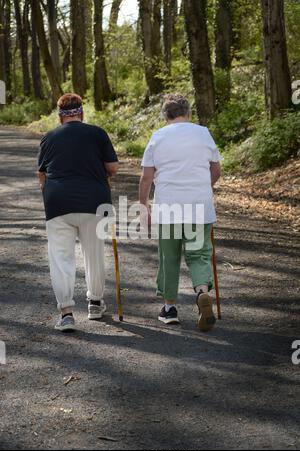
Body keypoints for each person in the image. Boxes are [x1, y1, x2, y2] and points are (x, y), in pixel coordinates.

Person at [139, 94, 221, 332]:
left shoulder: (158, 137)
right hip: (199, 207)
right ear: (189, 113)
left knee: (169, 257)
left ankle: (169, 308)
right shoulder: (203, 133)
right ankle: (202, 294)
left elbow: (146, 178)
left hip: (169, 208)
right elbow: (216, 171)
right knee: (199, 255)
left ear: (165, 115)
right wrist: (203, 189)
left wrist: (143, 207)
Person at [37, 93, 119, 332]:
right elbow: (112, 167)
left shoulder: (48, 138)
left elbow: (41, 174)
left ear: (59, 116)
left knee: (61, 258)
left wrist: (48, 193)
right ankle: (94, 303)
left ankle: (66, 313)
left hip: (58, 203)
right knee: (93, 255)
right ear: (82, 113)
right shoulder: (97, 133)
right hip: (94, 202)